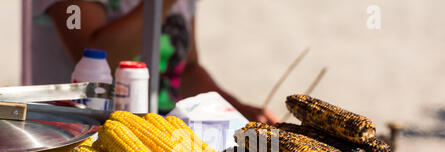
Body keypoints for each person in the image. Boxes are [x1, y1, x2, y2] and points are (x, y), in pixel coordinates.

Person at [31, 0, 278, 123]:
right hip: (77, 147)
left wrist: (240, 112)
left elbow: (186, 70)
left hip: (162, 141)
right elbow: (92, 55)